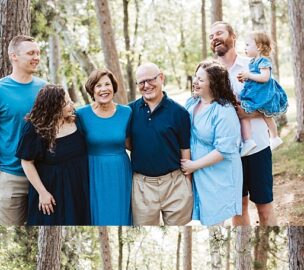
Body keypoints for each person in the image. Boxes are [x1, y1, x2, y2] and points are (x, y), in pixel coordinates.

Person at [210, 21, 277, 226]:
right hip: (228, 152)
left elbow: (272, 104)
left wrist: (247, 114)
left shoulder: (253, 66)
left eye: (219, 33)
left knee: (264, 208)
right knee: (238, 208)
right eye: (211, 36)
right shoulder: (210, 74)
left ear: (233, 36)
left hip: (257, 147)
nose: (215, 38)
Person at [0, 35, 47, 225]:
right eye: (31, 53)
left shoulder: (45, 89)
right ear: (13, 56)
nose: (36, 57)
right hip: (11, 178)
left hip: (45, 176)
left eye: (38, 53)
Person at [129, 63, 193, 226]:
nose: (146, 86)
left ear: (161, 77)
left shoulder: (179, 113)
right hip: (142, 186)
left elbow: (185, 150)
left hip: (175, 184)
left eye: (150, 80)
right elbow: (127, 143)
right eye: (141, 82)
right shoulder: (129, 111)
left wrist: (187, 184)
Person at [16, 84, 90, 225]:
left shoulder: (76, 120)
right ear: (54, 108)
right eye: (67, 103)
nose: (72, 105)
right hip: (52, 190)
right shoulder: (35, 129)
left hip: (79, 189)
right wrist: (42, 193)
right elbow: (26, 162)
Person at [181, 61, 243, 226]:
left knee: (215, 224)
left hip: (219, 174)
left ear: (213, 83)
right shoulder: (192, 103)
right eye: (195, 77)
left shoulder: (224, 111)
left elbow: (224, 150)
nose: (195, 82)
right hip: (199, 172)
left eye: (201, 79)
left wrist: (193, 165)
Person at [77, 69, 132, 225]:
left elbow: (131, 143)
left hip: (120, 171)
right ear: (92, 90)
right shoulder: (81, 114)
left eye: (107, 84)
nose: (104, 89)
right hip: (93, 171)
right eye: (98, 86)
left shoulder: (126, 112)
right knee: (97, 215)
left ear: (113, 88)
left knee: (120, 214)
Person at [238, 31, 288, 153]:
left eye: (248, 45)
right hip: (255, 92)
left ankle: (274, 137)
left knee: (266, 115)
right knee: (249, 113)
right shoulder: (252, 62)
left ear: (259, 47)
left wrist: (248, 75)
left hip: (263, 94)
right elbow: (254, 77)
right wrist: (245, 77)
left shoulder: (263, 61)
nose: (245, 48)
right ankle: (249, 140)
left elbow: (265, 77)